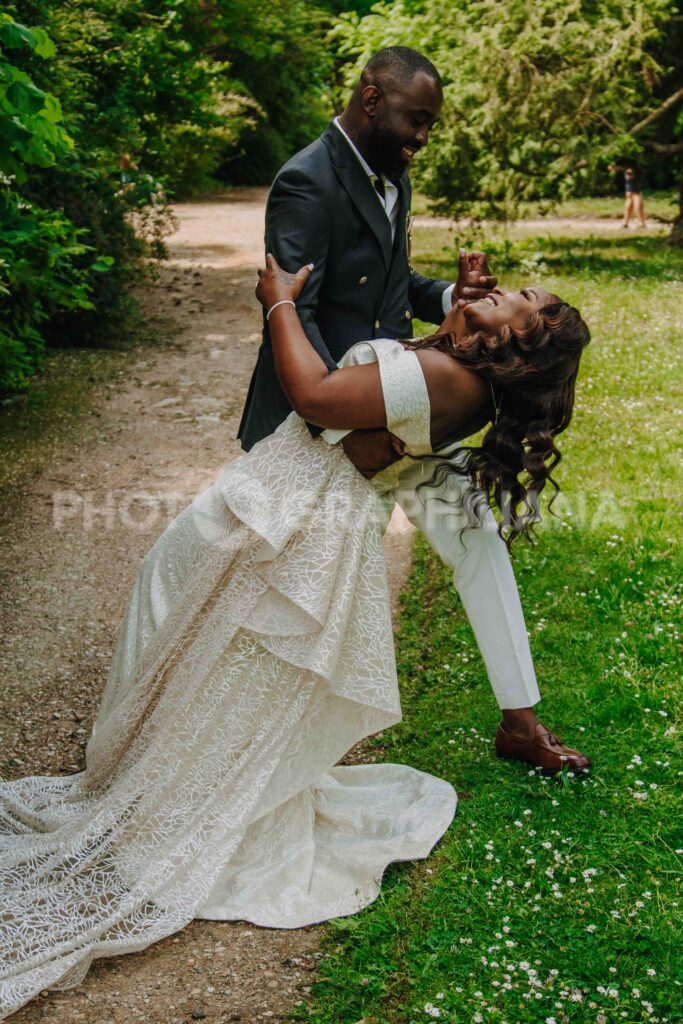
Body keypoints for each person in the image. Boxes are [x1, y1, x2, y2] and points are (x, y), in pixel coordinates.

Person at [0, 251, 590, 1018]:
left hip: (287, 516)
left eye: (520, 298)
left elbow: (315, 393)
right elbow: (391, 394)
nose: (505, 287)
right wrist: (451, 315)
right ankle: (142, 780)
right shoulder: (459, 368)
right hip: (289, 500)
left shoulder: (447, 378)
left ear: (521, 340)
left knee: (188, 623)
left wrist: (278, 300)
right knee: (199, 642)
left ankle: (144, 797)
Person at [238, 45, 591, 773]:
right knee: (298, 595)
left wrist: (452, 299)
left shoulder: (390, 170)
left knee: (479, 543)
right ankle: (252, 750)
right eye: (417, 120)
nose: (423, 137)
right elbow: (296, 311)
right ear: (372, 100)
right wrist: (342, 432)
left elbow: (389, 283)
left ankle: (521, 724)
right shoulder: (306, 180)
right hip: (330, 424)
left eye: (429, 124)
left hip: (404, 413)